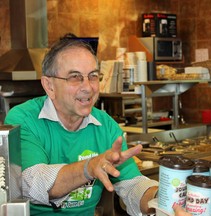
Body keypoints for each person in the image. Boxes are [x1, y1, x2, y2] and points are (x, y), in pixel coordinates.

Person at [4, 36, 158, 215]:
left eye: (93, 76)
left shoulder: (106, 126)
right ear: (49, 86)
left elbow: (133, 186)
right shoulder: (23, 119)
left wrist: (162, 198)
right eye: (75, 77)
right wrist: (89, 168)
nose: (88, 87)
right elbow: (35, 182)